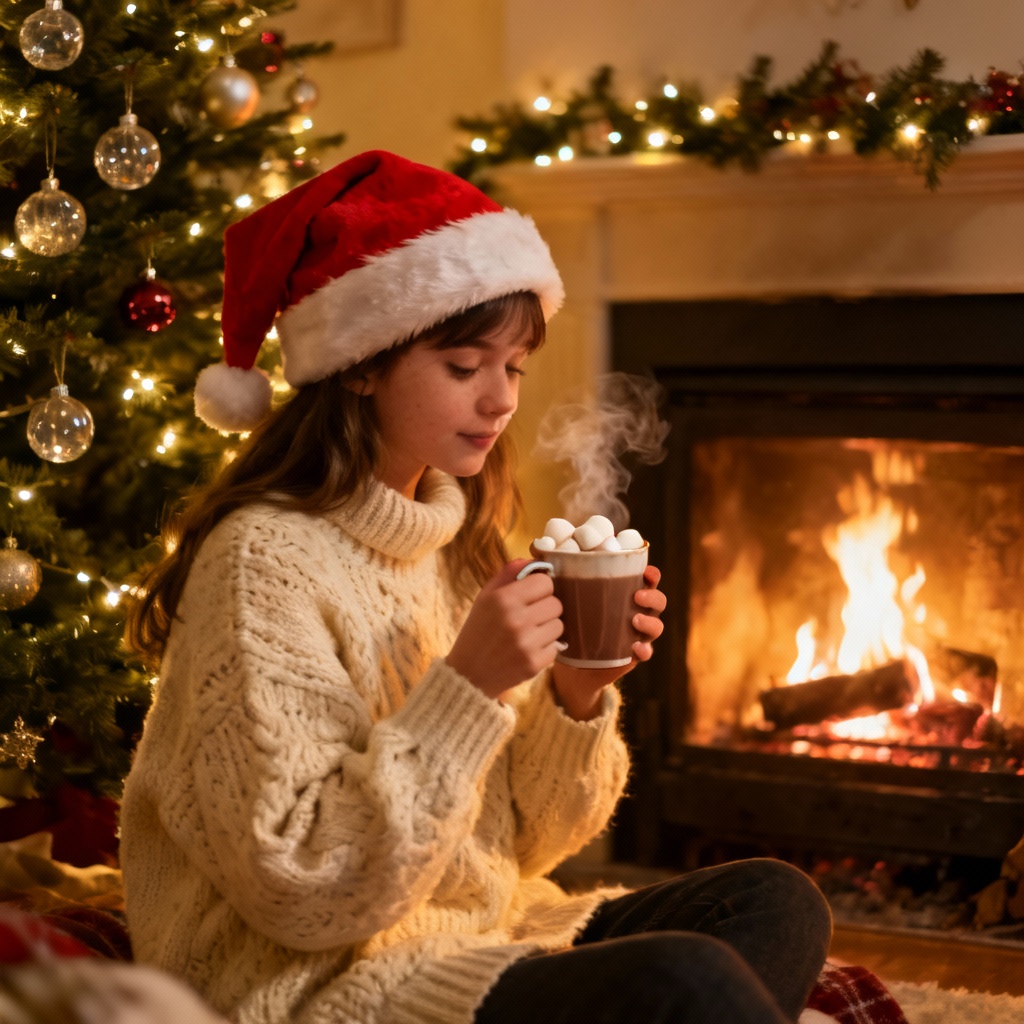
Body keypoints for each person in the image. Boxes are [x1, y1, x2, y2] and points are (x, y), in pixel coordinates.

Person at [119, 150, 831, 1024]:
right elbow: (301, 893)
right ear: (360, 364)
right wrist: (470, 687)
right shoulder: (262, 561)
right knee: (686, 985)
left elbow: (523, 851)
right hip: (310, 984)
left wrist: (575, 697)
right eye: (464, 367)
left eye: (515, 369)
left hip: (468, 932)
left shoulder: (459, 541)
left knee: (771, 901)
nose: (499, 401)